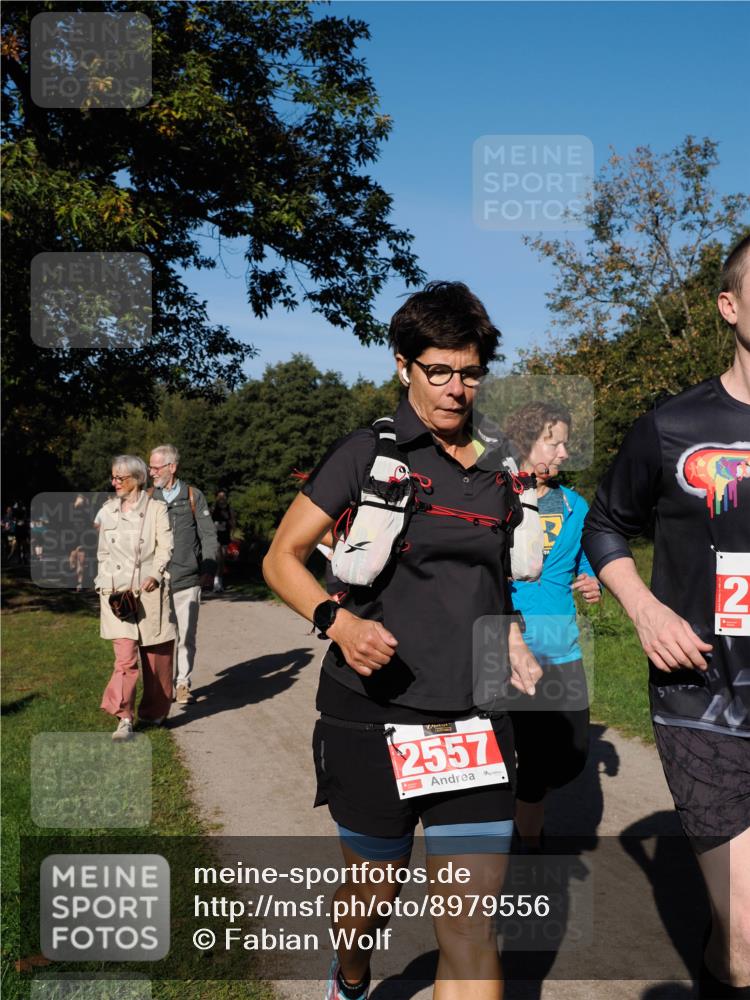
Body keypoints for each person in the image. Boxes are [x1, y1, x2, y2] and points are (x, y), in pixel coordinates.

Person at [263, 281, 542, 1000]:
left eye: (470, 371)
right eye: (438, 371)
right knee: (369, 901)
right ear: (403, 366)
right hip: (374, 714)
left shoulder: (498, 467)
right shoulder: (366, 454)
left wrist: (510, 637)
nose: (456, 388)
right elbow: (280, 558)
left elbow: (495, 578)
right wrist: (339, 622)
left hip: (475, 719)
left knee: (470, 927)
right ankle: (350, 974)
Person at [582, 235, 750, 998]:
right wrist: (643, 608)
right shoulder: (671, 425)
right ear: (730, 305)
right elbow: (605, 522)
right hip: (704, 694)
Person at [503, 401, 601, 851]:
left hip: (562, 648)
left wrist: (591, 578)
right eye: (553, 441)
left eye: (566, 443)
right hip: (506, 648)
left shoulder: (574, 505)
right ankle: (528, 839)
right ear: (526, 442)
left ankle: (523, 802)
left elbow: (580, 556)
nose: (564, 452)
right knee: (521, 757)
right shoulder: (495, 498)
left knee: (571, 756)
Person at [96, 455, 175, 740]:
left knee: (156, 660)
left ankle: (154, 711)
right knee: (125, 659)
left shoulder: (156, 510)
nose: (114, 482)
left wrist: (155, 574)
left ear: (138, 479)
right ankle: (124, 717)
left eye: (120, 478)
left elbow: (165, 548)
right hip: (117, 596)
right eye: (113, 477)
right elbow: (103, 552)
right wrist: (102, 581)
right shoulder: (107, 511)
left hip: (149, 592)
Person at [148, 444, 218, 705]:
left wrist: (209, 570)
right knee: (158, 636)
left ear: (172, 467)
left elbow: (208, 536)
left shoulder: (193, 496)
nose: (151, 471)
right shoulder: (148, 498)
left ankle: (182, 684)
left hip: (188, 579)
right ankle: (160, 685)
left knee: (186, 636)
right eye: (150, 466)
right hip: (155, 582)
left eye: (156, 467)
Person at [210, 490, 236, 593]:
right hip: (215, 536)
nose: (222, 498)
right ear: (217, 497)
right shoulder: (213, 508)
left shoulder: (229, 509)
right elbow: (207, 521)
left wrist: (233, 532)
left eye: (223, 496)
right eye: (220, 496)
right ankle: (215, 584)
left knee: (223, 559)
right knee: (218, 558)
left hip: (225, 535)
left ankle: (220, 582)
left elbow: (233, 521)